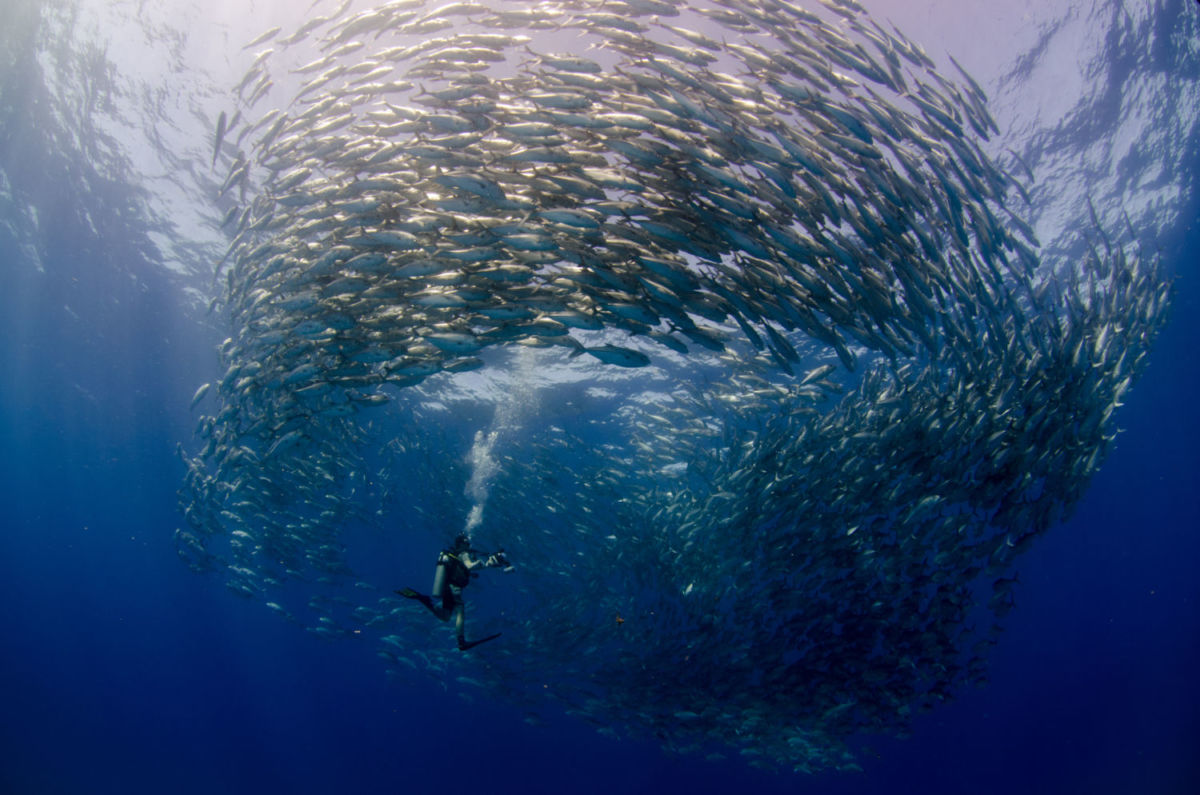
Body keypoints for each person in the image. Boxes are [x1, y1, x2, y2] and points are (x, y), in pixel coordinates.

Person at [396, 533, 513, 650]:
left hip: (447, 588)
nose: (469, 544)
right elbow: (469, 566)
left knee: (445, 617)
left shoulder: (457, 555)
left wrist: (487, 564)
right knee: (460, 612)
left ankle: (422, 599)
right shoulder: (464, 553)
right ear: (462, 543)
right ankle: (461, 642)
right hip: (454, 588)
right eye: (467, 542)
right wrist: (478, 564)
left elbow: (468, 567)